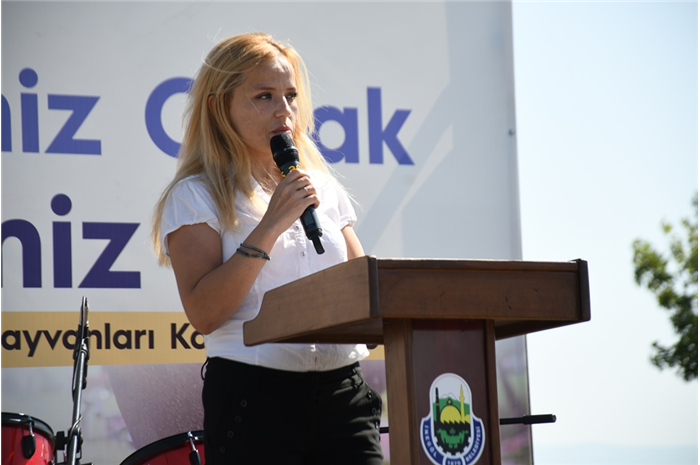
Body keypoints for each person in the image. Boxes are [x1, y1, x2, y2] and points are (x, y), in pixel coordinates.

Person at [151, 32, 384, 465]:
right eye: (264, 96)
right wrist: (271, 224)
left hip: (344, 396)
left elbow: (364, 288)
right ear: (218, 107)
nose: (284, 111)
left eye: (290, 96)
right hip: (255, 399)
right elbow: (204, 313)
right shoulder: (195, 195)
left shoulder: (322, 187)